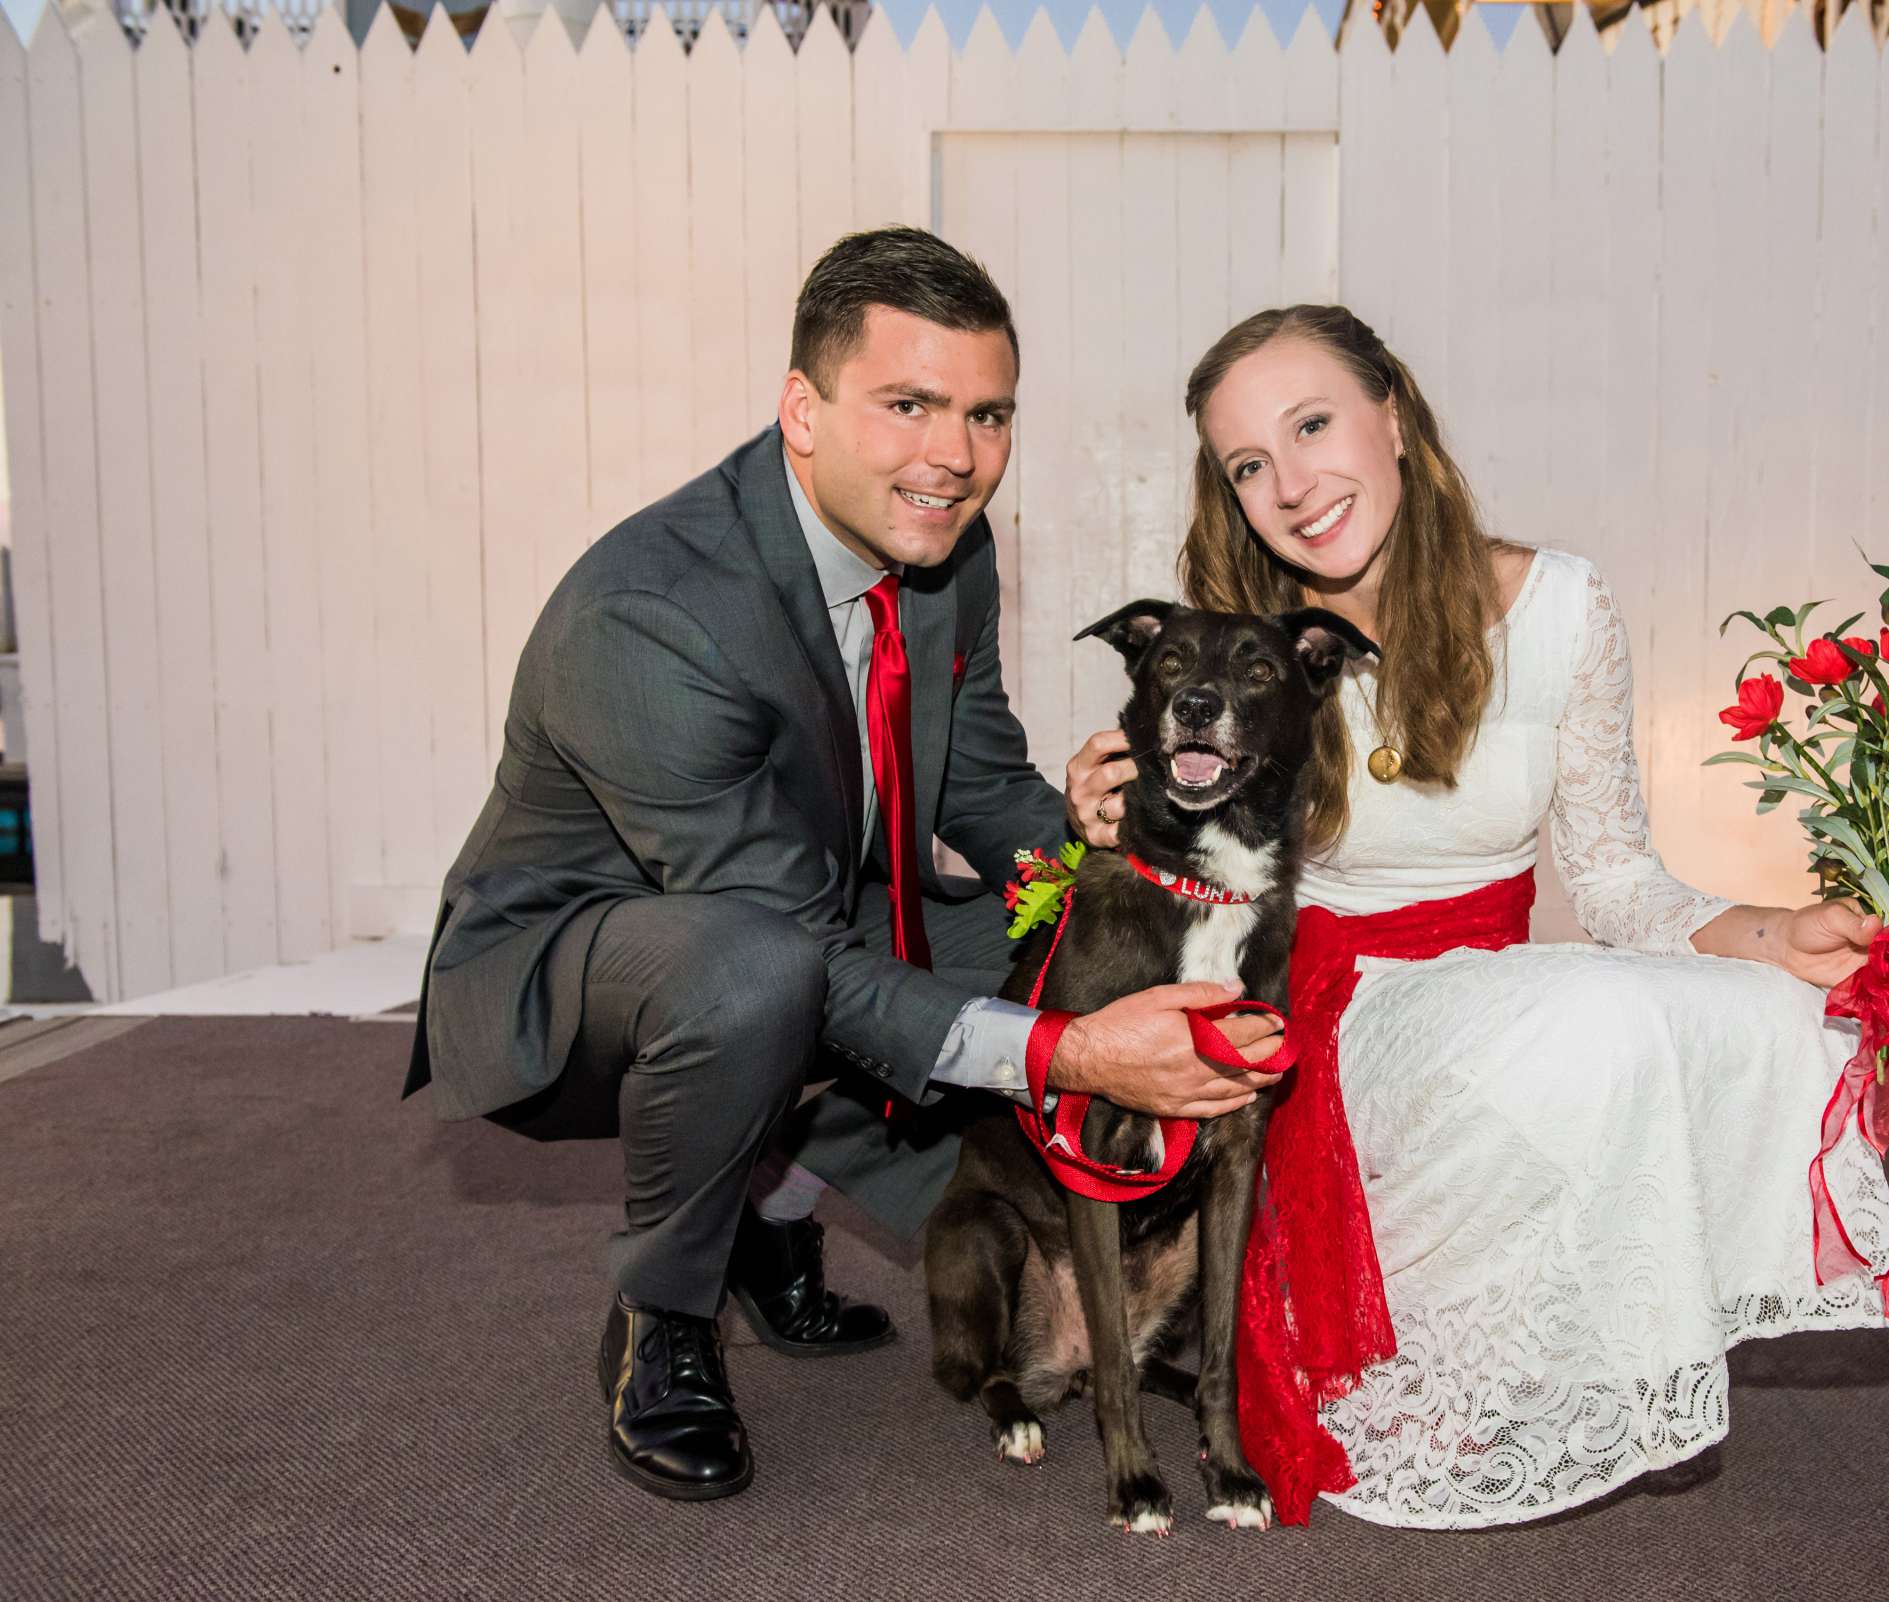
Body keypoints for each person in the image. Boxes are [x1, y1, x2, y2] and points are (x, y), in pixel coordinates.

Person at [403, 228, 1282, 1502]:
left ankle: (770, 1212)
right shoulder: (651, 614)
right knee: (760, 974)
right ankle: (666, 1312)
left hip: (801, 900)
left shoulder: (941, 546)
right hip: (592, 958)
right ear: (802, 409)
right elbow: (801, 950)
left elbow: (979, 783)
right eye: (909, 405)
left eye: (987, 414)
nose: (955, 456)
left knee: (1074, 930)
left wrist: (1119, 866)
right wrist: (1068, 1052)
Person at [1063, 304, 1889, 1529]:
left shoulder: (1565, 607)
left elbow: (1620, 881)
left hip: (1490, 989)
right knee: (1583, 1016)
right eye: (1250, 465)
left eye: (1313, 426)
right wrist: (1103, 808)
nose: (1292, 486)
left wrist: (1775, 935)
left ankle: (1610, 1356)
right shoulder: (1247, 645)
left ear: (1397, 417)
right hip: (1326, 1004)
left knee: (1769, 1015)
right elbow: (1174, 839)